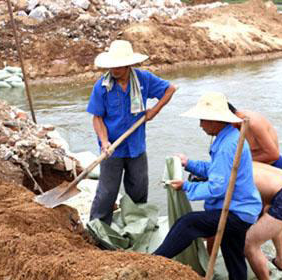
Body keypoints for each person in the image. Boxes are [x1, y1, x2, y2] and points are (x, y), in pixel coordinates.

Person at [153, 92, 262, 280]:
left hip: (236, 211)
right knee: (233, 255)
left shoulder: (228, 145)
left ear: (216, 120)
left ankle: (152, 261)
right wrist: (189, 163)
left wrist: (186, 186)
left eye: (203, 120)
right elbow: (215, 170)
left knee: (188, 223)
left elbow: (217, 187)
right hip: (244, 209)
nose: (201, 125)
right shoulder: (228, 137)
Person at [87, 40, 176, 225]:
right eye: (112, 66)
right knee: (107, 192)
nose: (114, 70)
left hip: (136, 146)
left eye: (119, 66)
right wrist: (104, 142)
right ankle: (97, 228)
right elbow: (97, 118)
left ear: (128, 65)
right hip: (112, 149)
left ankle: (137, 226)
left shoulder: (143, 80)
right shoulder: (102, 86)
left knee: (138, 190)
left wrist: (154, 111)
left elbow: (170, 89)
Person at [228, 103, 282, 169]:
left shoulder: (253, 124)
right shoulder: (234, 124)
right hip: (252, 164)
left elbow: (274, 155)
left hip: (270, 166)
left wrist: (239, 160)